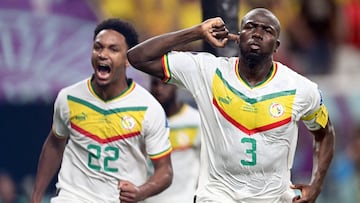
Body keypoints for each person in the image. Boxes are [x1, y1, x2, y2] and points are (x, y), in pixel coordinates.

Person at [127, 7, 335, 203]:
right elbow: (138, 57)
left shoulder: (300, 88)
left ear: (276, 45)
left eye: (267, 30)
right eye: (250, 27)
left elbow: (325, 133)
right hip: (216, 196)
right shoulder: (207, 71)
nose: (257, 33)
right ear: (238, 36)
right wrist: (197, 31)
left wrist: (316, 184)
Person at [30, 18, 173, 203]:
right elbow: (55, 144)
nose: (102, 54)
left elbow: (165, 171)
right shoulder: (68, 98)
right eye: (98, 47)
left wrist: (141, 191)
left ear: (128, 59)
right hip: (72, 197)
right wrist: (36, 196)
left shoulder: (148, 108)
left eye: (113, 49)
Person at [144, 77, 201, 203]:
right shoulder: (144, 124)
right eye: (154, 83)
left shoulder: (196, 121)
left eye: (164, 84)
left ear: (176, 85)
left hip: (186, 199)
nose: (159, 89)